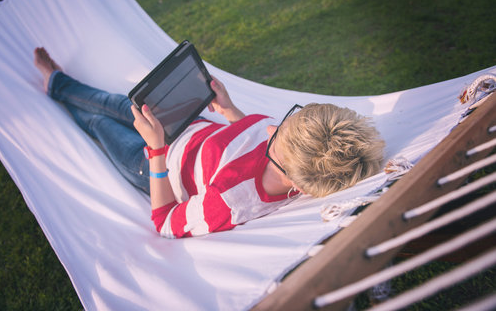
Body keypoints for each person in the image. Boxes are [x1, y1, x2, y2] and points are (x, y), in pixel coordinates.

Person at [34, 47, 385, 238]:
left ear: (294, 181)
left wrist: (156, 150)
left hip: (152, 166)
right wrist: (230, 110)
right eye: (287, 120)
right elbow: (251, 136)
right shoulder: (294, 156)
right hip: (189, 126)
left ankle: (57, 90)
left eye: (276, 138)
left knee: (99, 122)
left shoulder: (232, 201)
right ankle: (62, 84)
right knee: (115, 102)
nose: (269, 129)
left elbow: (165, 221)